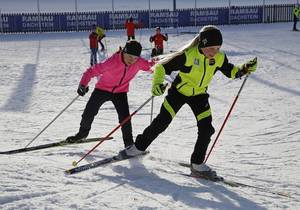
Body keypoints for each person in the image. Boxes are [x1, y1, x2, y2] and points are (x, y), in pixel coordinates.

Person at [119, 25, 258, 179]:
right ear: (203, 44)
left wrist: (244, 68)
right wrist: (157, 85)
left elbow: (231, 71)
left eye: (217, 48)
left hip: (199, 96)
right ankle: (138, 148)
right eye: (211, 48)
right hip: (178, 93)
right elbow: (161, 68)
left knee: (206, 129)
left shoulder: (219, 58)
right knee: (162, 122)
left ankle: (197, 164)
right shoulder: (188, 56)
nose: (214, 52)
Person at [66, 40, 155, 148]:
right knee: (89, 112)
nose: (132, 60)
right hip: (102, 89)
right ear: (124, 52)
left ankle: (129, 144)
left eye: (135, 58)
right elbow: (91, 71)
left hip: (120, 92)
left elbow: (153, 67)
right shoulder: (112, 62)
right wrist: (82, 84)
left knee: (125, 119)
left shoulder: (138, 62)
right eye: (130, 57)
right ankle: (82, 134)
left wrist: (163, 62)